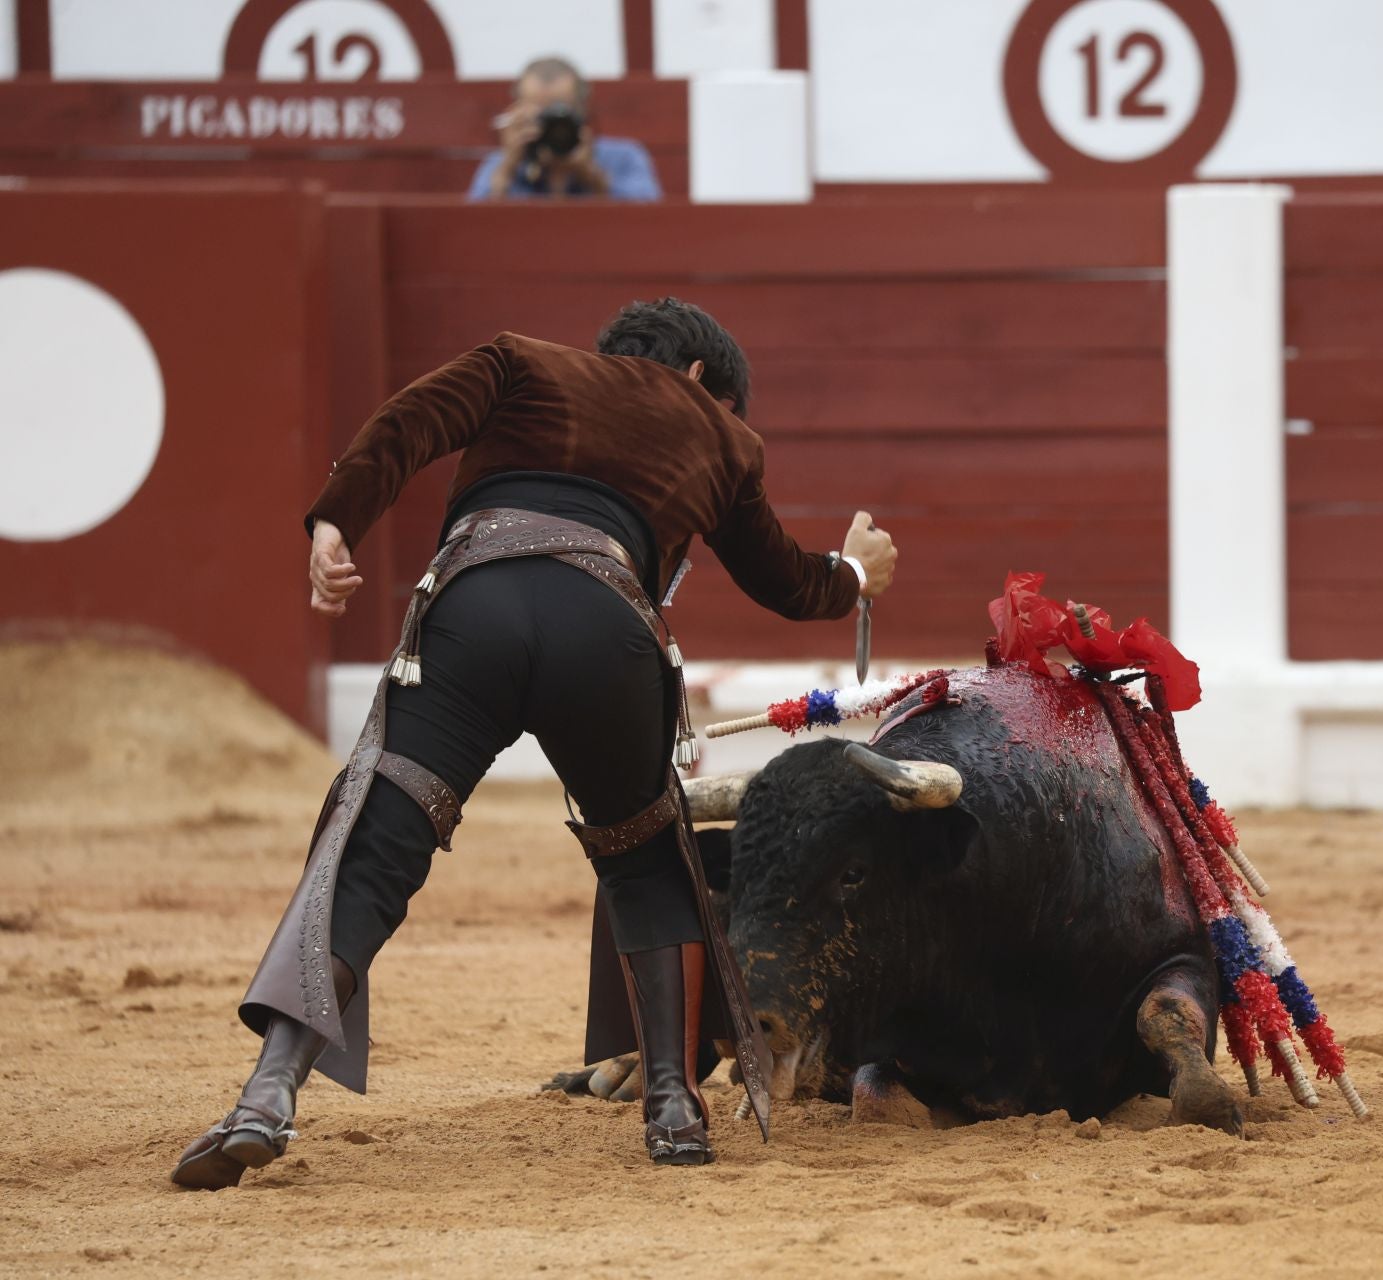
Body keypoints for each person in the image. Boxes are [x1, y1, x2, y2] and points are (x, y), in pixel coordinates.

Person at [172, 298, 896, 1188]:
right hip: (608, 627)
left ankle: (267, 1095)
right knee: (643, 856)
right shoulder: (718, 430)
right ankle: (671, 1104)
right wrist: (857, 573)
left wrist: (335, 521)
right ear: (706, 380)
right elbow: (786, 580)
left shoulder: (520, 362)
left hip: (472, 607)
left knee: (371, 847)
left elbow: (406, 424)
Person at [468, 56, 661, 201]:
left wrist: (592, 177)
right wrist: (508, 167)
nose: (548, 127)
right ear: (517, 112)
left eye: (558, 114)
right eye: (538, 116)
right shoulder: (503, 163)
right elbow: (470, 225)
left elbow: (650, 218)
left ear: (582, 109)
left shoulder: (624, 157)